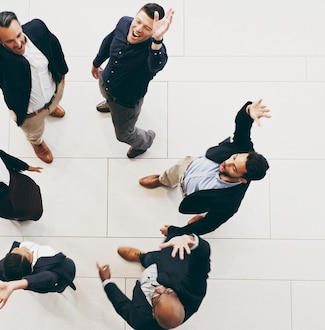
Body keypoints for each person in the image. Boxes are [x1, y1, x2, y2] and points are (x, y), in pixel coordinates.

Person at [139, 99, 271, 235]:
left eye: (234, 168)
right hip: (189, 165)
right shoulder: (243, 148)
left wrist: (175, 231)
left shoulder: (229, 203)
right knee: (174, 171)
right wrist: (248, 111)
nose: (227, 162)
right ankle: (163, 180)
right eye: (234, 157)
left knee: (207, 211)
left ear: (242, 180)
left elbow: (208, 225)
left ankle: (200, 212)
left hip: (193, 194)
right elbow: (242, 125)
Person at [0, 0, 68, 164]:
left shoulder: (36, 27)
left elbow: (54, 45)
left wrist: (62, 73)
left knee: (54, 101)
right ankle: (37, 143)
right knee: (34, 131)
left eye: (19, 35)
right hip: (30, 112)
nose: (18, 43)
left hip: (54, 90)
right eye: (9, 41)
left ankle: (51, 107)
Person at [91, 3, 175, 158]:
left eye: (147, 28)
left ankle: (146, 141)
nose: (137, 29)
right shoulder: (124, 23)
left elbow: (157, 65)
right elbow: (108, 41)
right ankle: (109, 103)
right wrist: (96, 63)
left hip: (125, 102)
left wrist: (157, 40)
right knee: (105, 93)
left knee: (123, 134)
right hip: (106, 80)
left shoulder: (154, 51)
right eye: (138, 21)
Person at [97, 232, 210, 329]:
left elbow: (121, 304)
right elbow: (202, 262)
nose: (160, 287)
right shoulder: (194, 292)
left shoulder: (140, 322)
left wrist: (106, 281)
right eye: (169, 291)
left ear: (153, 313)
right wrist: (191, 240)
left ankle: (144, 259)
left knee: (151, 266)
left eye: (156, 297)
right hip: (166, 264)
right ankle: (142, 257)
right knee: (152, 258)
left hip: (149, 276)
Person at [0, 241, 76, 309]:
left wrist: (13, 283)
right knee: (59, 287)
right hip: (64, 272)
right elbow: (49, 278)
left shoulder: (12, 265)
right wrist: (14, 285)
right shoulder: (47, 255)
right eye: (27, 252)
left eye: (17, 249)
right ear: (31, 267)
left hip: (33, 282)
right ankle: (60, 290)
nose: (24, 247)